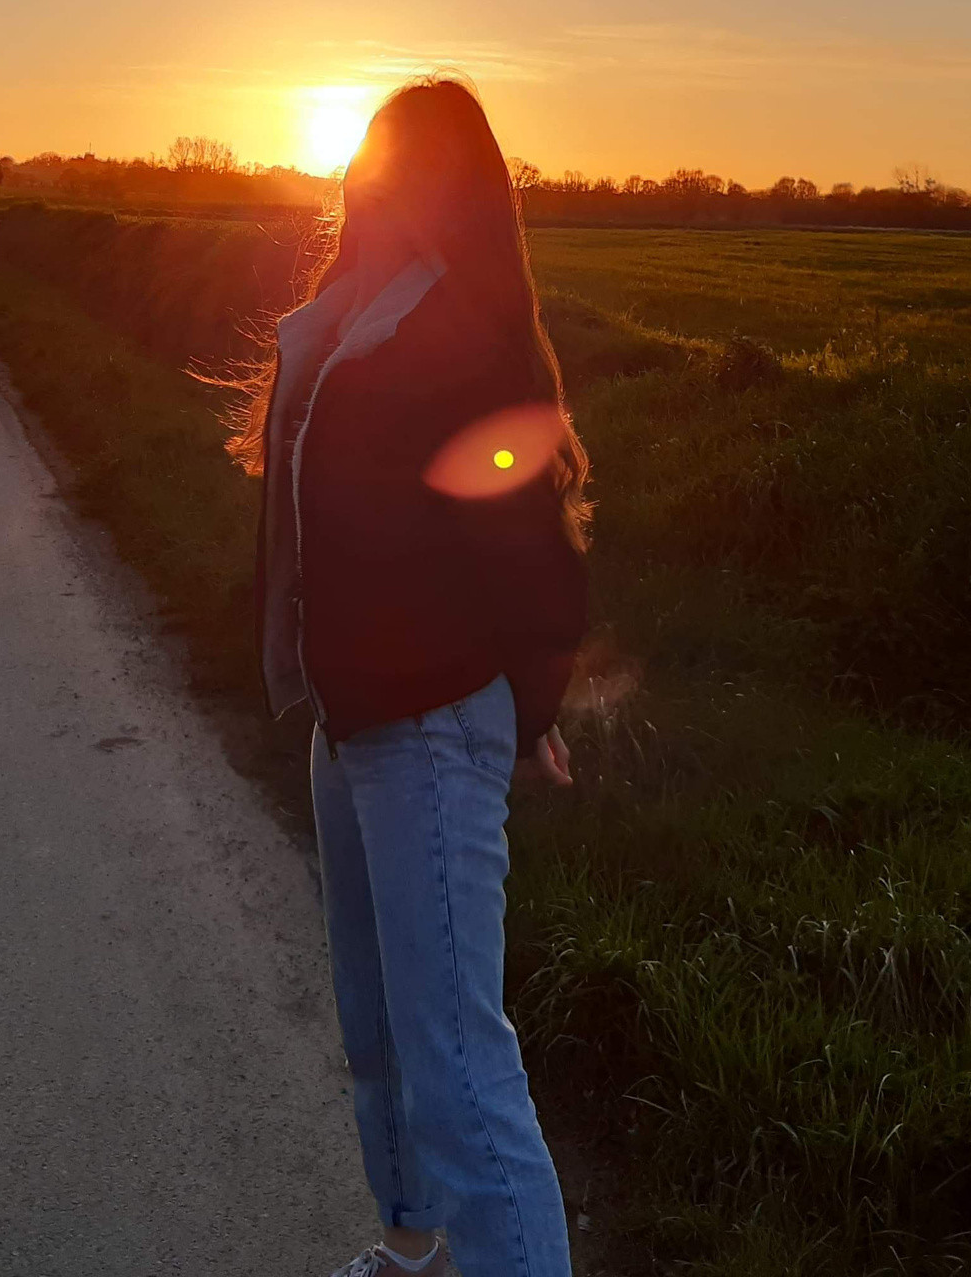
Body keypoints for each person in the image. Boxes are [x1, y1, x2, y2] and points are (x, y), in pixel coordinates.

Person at [234, 78, 589, 1277]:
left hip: (432, 722)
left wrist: (529, 711)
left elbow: (533, 553)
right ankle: (409, 1252)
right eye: (367, 159)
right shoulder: (346, 313)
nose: (371, 182)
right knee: (379, 1032)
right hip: (351, 718)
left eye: (400, 166)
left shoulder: (459, 337)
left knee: (457, 1061)